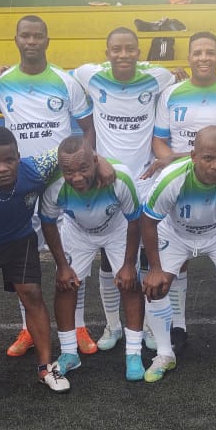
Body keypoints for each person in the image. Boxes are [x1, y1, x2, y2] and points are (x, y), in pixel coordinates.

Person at [0, 127, 115, 392]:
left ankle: (45, 368)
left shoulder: (37, 168)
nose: (3, 168)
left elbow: (77, 151)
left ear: (19, 157)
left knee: (32, 295)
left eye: (9, 160)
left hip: (18, 239)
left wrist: (101, 160)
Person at [0, 15, 96, 357]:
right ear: (16, 40)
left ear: (47, 40)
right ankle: (27, 329)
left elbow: (88, 128)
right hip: (20, 183)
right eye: (25, 36)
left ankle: (79, 325)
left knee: (71, 256)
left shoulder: (66, 81)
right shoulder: (1, 83)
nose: (31, 41)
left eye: (37, 36)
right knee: (23, 260)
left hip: (61, 181)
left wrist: (84, 165)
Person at [144, 31, 216, 354]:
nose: (203, 58)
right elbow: (159, 141)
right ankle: (178, 327)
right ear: (189, 57)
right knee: (176, 262)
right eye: (197, 52)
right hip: (183, 184)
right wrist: (178, 164)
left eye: (210, 52)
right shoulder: (171, 93)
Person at [71, 27, 176, 351]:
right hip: (107, 180)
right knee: (108, 256)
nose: (123, 54)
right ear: (107, 53)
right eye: (116, 49)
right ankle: (113, 325)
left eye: (130, 49)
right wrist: (2, 70)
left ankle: (146, 324)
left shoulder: (158, 77)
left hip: (144, 180)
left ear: (139, 52)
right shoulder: (89, 75)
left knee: (143, 255)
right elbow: (56, 77)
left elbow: (192, 77)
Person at [141, 126, 216, 382]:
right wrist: (154, 268)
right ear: (194, 156)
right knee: (156, 286)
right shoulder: (172, 178)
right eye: (208, 158)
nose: (215, 166)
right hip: (176, 233)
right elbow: (148, 221)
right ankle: (164, 353)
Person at [39, 137, 147, 381]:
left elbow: (134, 221)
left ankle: (133, 354)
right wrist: (62, 266)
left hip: (117, 229)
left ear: (96, 161)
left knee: (130, 284)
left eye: (83, 169)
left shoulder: (121, 178)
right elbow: (48, 223)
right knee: (65, 285)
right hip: (78, 232)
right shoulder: (53, 186)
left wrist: (129, 264)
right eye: (69, 171)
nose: (77, 177)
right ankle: (69, 353)